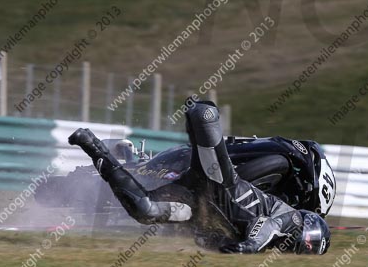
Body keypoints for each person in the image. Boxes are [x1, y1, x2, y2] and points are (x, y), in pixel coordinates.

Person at [68, 100, 330, 255]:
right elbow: (265, 229)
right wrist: (249, 248)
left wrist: (210, 240)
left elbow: (212, 239)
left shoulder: (269, 244)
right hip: (222, 186)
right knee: (202, 116)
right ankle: (199, 106)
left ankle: (93, 146)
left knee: (144, 210)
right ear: (309, 227)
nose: (297, 250)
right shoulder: (292, 218)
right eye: (304, 247)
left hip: (194, 204)